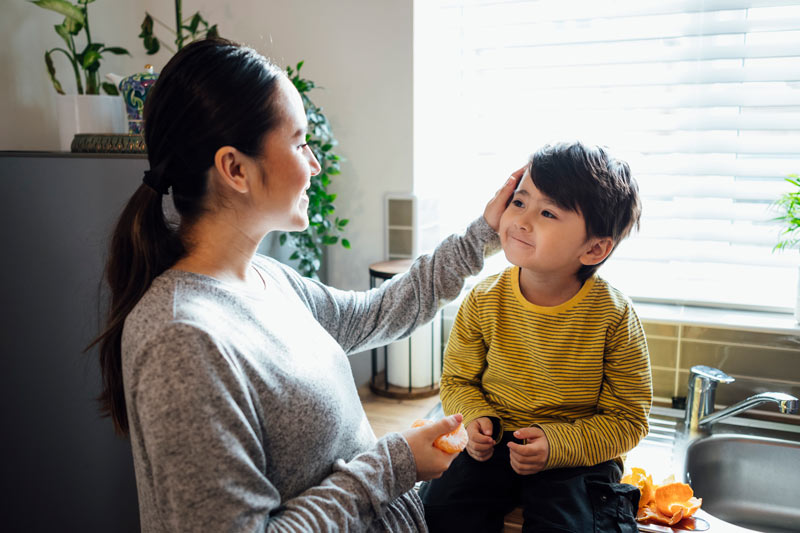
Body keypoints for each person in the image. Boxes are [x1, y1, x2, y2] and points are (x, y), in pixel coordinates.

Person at [90, 37, 523, 532]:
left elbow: (380, 311)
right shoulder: (184, 341)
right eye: (299, 143)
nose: (315, 164)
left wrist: (485, 234)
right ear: (235, 168)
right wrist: (394, 464)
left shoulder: (266, 279)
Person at [420, 141, 653, 532]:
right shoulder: (483, 299)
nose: (522, 221)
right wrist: (476, 418)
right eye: (519, 202)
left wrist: (557, 445)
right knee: (437, 513)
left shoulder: (613, 315)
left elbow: (628, 420)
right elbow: (458, 380)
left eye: (547, 212)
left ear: (594, 248)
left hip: (578, 456)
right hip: (493, 445)